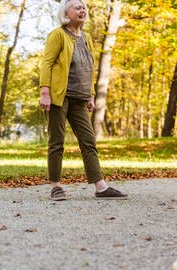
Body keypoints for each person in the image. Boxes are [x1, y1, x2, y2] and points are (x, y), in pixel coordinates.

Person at [39, 0, 127, 200]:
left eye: (84, 8)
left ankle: (101, 186)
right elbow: (47, 63)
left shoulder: (86, 37)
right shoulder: (58, 35)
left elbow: (89, 67)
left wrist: (91, 94)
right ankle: (55, 186)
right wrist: (45, 91)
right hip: (59, 96)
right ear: (66, 13)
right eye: (77, 7)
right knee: (57, 142)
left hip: (80, 98)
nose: (82, 10)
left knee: (88, 142)